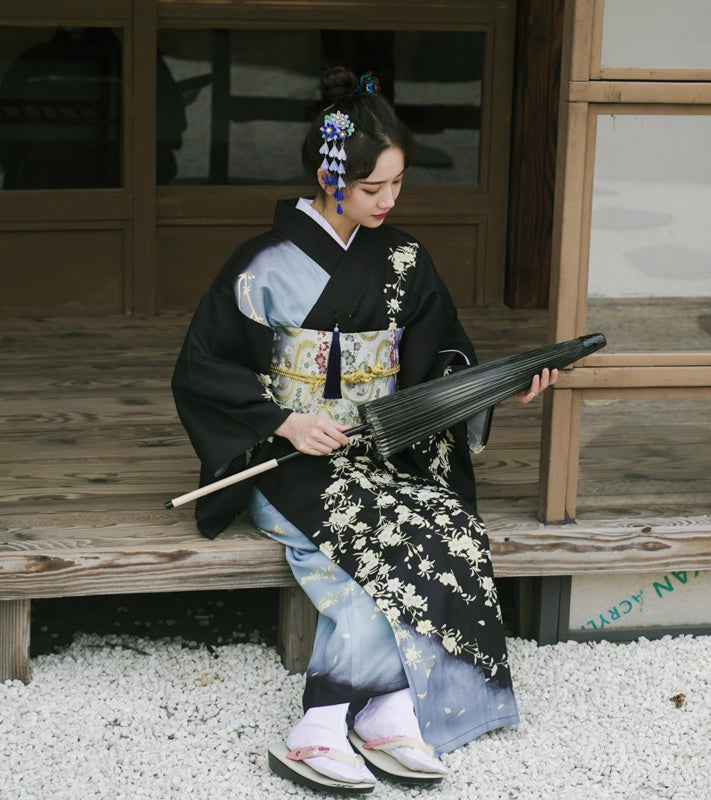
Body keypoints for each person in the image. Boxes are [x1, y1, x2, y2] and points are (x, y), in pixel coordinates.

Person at [171, 66, 557, 794]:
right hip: (288, 457)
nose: (387, 202)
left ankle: (381, 713)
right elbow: (203, 369)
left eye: (398, 186)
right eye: (372, 187)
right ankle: (323, 727)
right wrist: (285, 420)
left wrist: (495, 388)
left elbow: (442, 359)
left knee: (447, 524)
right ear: (328, 175)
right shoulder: (262, 264)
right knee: (371, 561)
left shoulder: (405, 260)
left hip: (377, 450)